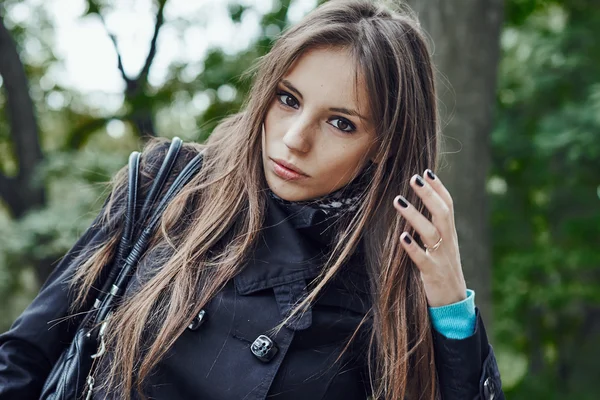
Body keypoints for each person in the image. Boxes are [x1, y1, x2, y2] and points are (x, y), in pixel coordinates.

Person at [0, 1, 504, 399]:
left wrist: (450, 305)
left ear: (385, 146)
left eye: (340, 122)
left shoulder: (389, 282)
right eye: (288, 99)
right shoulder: (172, 189)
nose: (294, 139)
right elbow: (25, 356)